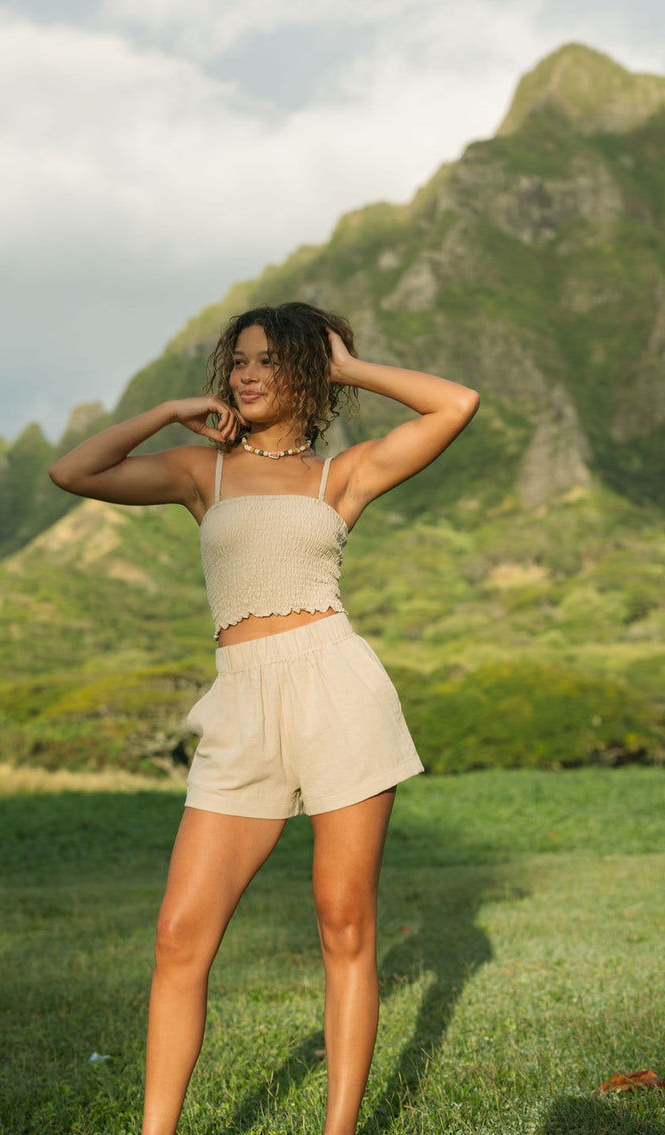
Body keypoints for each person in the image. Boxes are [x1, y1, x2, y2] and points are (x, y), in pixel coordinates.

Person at [49, 301, 479, 1135]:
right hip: (241, 704)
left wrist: (349, 368)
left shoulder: (340, 474)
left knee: (344, 923)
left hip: (337, 692)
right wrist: (171, 411)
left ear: (307, 377)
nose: (245, 373)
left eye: (269, 361)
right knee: (179, 935)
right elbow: (76, 471)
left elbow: (455, 403)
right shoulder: (198, 472)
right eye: (237, 360)